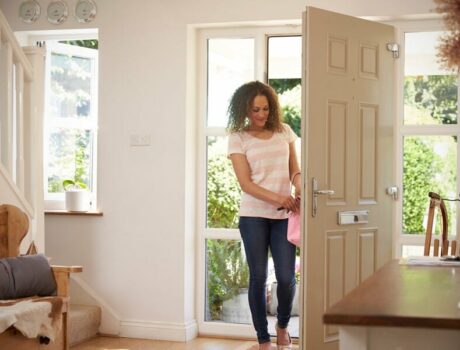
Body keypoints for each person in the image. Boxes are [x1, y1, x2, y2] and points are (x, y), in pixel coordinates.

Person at [227, 81, 301, 350]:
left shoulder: (284, 131)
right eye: (255, 109)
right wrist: (280, 197)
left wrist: (300, 188)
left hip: (284, 217)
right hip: (253, 217)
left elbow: (295, 170)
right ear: (245, 110)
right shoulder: (238, 138)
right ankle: (262, 338)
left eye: (266, 108)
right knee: (258, 277)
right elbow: (246, 184)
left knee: (285, 277)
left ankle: (282, 326)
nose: (261, 114)